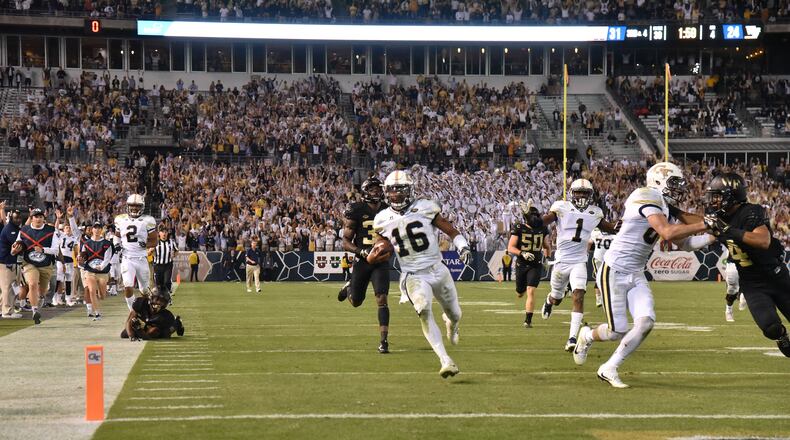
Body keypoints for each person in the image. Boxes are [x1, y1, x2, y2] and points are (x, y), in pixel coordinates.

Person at [573, 162, 712, 388]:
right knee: (616, 331)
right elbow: (667, 232)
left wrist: (715, 236)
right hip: (614, 270)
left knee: (646, 322)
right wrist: (707, 224)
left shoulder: (663, 206)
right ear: (658, 180)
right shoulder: (644, 194)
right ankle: (587, 335)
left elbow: (685, 243)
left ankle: (609, 367)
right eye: (674, 182)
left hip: (636, 272)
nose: (678, 188)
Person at [372, 171, 471, 378]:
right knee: (423, 308)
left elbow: (451, 231)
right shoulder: (382, 219)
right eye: (391, 191)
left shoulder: (425, 207)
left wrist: (462, 246)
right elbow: (378, 247)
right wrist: (375, 255)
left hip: (437, 269)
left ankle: (451, 325)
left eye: (400, 191)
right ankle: (445, 361)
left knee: (455, 314)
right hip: (413, 275)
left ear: (409, 190)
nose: (395, 195)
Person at [703, 172, 790, 357]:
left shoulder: (751, 211)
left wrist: (728, 230)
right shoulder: (717, 216)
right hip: (752, 285)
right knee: (771, 327)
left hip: (776, 278)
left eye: (718, 196)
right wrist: (671, 211)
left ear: (731, 196)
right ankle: (782, 336)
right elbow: (698, 223)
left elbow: (763, 241)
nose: (713, 201)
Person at [540, 179, 619, 352]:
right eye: (578, 192)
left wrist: (626, 224)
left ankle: (572, 338)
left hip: (579, 261)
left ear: (590, 195)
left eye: (585, 193)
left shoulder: (595, 212)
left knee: (578, 294)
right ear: (572, 193)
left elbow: (611, 228)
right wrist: (533, 219)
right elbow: (545, 220)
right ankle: (549, 301)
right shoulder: (561, 207)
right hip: (561, 261)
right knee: (557, 297)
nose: (582, 196)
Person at [337, 176, 392, 354]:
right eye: (373, 189)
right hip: (363, 260)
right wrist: (362, 252)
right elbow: (345, 241)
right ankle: (349, 288)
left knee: (382, 299)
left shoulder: (388, 209)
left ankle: (384, 341)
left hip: (381, 261)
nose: (376, 192)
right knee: (356, 302)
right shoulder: (356, 209)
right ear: (365, 192)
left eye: (378, 189)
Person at [11, 208, 61, 324]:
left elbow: (55, 250)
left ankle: (42, 296)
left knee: (42, 291)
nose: (38, 219)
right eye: (36, 216)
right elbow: (16, 246)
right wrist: (14, 250)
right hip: (29, 262)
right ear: (31, 218)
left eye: (40, 217)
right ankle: (35, 311)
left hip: (45, 264)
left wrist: (43, 249)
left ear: (44, 218)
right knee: (32, 284)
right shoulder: (24, 230)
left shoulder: (51, 230)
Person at [507, 200, 550, 328]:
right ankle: (521, 290)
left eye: (537, 216)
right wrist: (522, 253)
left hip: (535, 264)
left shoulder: (542, 229)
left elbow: (547, 246)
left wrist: (547, 258)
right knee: (520, 293)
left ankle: (528, 320)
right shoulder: (520, 227)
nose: (536, 219)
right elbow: (510, 247)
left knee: (531, 290)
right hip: (522, 263)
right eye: (534, 216)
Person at [115, 194, 157, 310]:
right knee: (128, 286)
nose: (134, 208)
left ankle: (146, 310)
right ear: (127, 206)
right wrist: (116, 244)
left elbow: (154, 240)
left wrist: (146, 245)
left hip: (142, 258)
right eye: (132, 206)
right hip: (127, 258)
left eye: (137, 206)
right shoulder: (120, 219)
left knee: (144, 290)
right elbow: (117, 236)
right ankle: (133, 311)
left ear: (142, 206)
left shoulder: (148, 220)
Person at [80, 222, 114, 321]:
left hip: (103, 272)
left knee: (102, 295)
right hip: (90, 270)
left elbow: (108, 258)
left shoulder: (107, 244)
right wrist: (81, 260)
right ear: (92, 230)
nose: (97, 230)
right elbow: (82, 255)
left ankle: (101, 293)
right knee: (91, 290)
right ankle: (97, 313)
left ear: (101, 230)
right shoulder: (86, 244)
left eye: (99, 228)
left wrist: (101, 266)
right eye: (95, 228)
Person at [0, 209, 23, 319]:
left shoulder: (15, 228)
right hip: (6, 262)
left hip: (11, 261)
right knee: (8, 287)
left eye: (19, 218)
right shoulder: (10, 229)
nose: (18, 220)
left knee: (12, 287)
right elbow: (17, 245)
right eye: (16, 218)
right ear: (11, 218)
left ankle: (4, 308)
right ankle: (7, 311)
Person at [720, 246, 747, 322]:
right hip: (733, 262)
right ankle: (728, 309)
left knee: (752, 281)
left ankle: (743, 295)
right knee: (732, 289)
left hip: (749, 262)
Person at [589, 227, 614, 308]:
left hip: (598, 258)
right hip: (609, 259)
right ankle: (602, 298)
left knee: (599, 278)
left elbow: (589, 243)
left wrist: (585, 253)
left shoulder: (595, 233)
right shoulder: (614, 235)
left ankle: (599, 298)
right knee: (609, 279)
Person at [152, 226, 177, 294]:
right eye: (162, 232)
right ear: (159, 233)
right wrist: (151, 251)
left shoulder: (171, 242)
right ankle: (161, 297)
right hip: (157, 265)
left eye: (165, 232)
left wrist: (173, 255)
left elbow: (176, 251)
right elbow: (148, 252)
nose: (164, 233)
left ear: (167, 233)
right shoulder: (155, 242)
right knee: (158, 283)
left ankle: (168, 296)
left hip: (168, 265)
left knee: (166, 281)